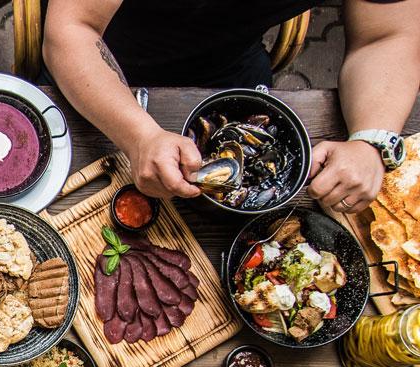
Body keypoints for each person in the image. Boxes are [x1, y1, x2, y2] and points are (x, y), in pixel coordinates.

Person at [43, 0, 420, 213]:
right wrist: (139, 135)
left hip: (229, 65)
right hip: (100, 60)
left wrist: (372, 140)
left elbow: (385, 36)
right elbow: (72, 30)